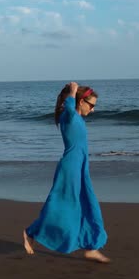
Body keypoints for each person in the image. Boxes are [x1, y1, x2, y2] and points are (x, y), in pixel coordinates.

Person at [23, 82, 110, 263]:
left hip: (80, 167)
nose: (93, 110)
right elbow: (69, 106)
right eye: (91, 105)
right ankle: (30, 232)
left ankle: (91, 246)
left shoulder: (75, 118)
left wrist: (73, 96)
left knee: (89, 205)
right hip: (70, 168)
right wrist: (71, 91)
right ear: (80, 102)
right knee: (61, 206)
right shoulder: (68, 116)